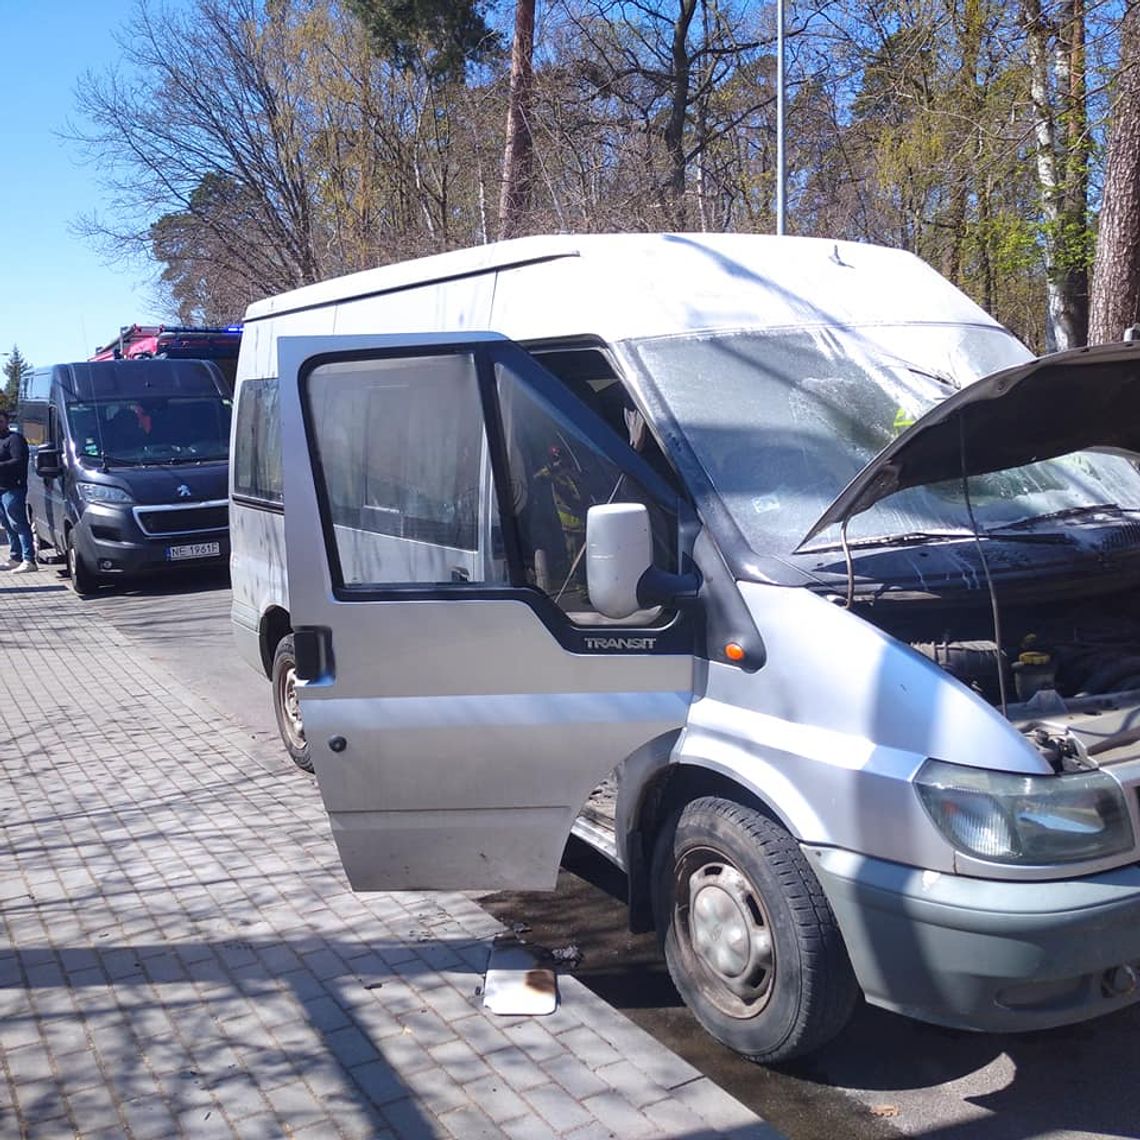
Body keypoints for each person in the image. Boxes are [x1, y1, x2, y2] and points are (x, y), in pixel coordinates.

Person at [0, 409, 37, 573]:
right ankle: (16, 557)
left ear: (6, 422)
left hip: (13, 488)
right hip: (1, 488)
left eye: (0, 421)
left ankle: (29, 560)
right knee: (7, 524)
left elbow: (18, 461)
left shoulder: (14, 439)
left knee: (18, 523)